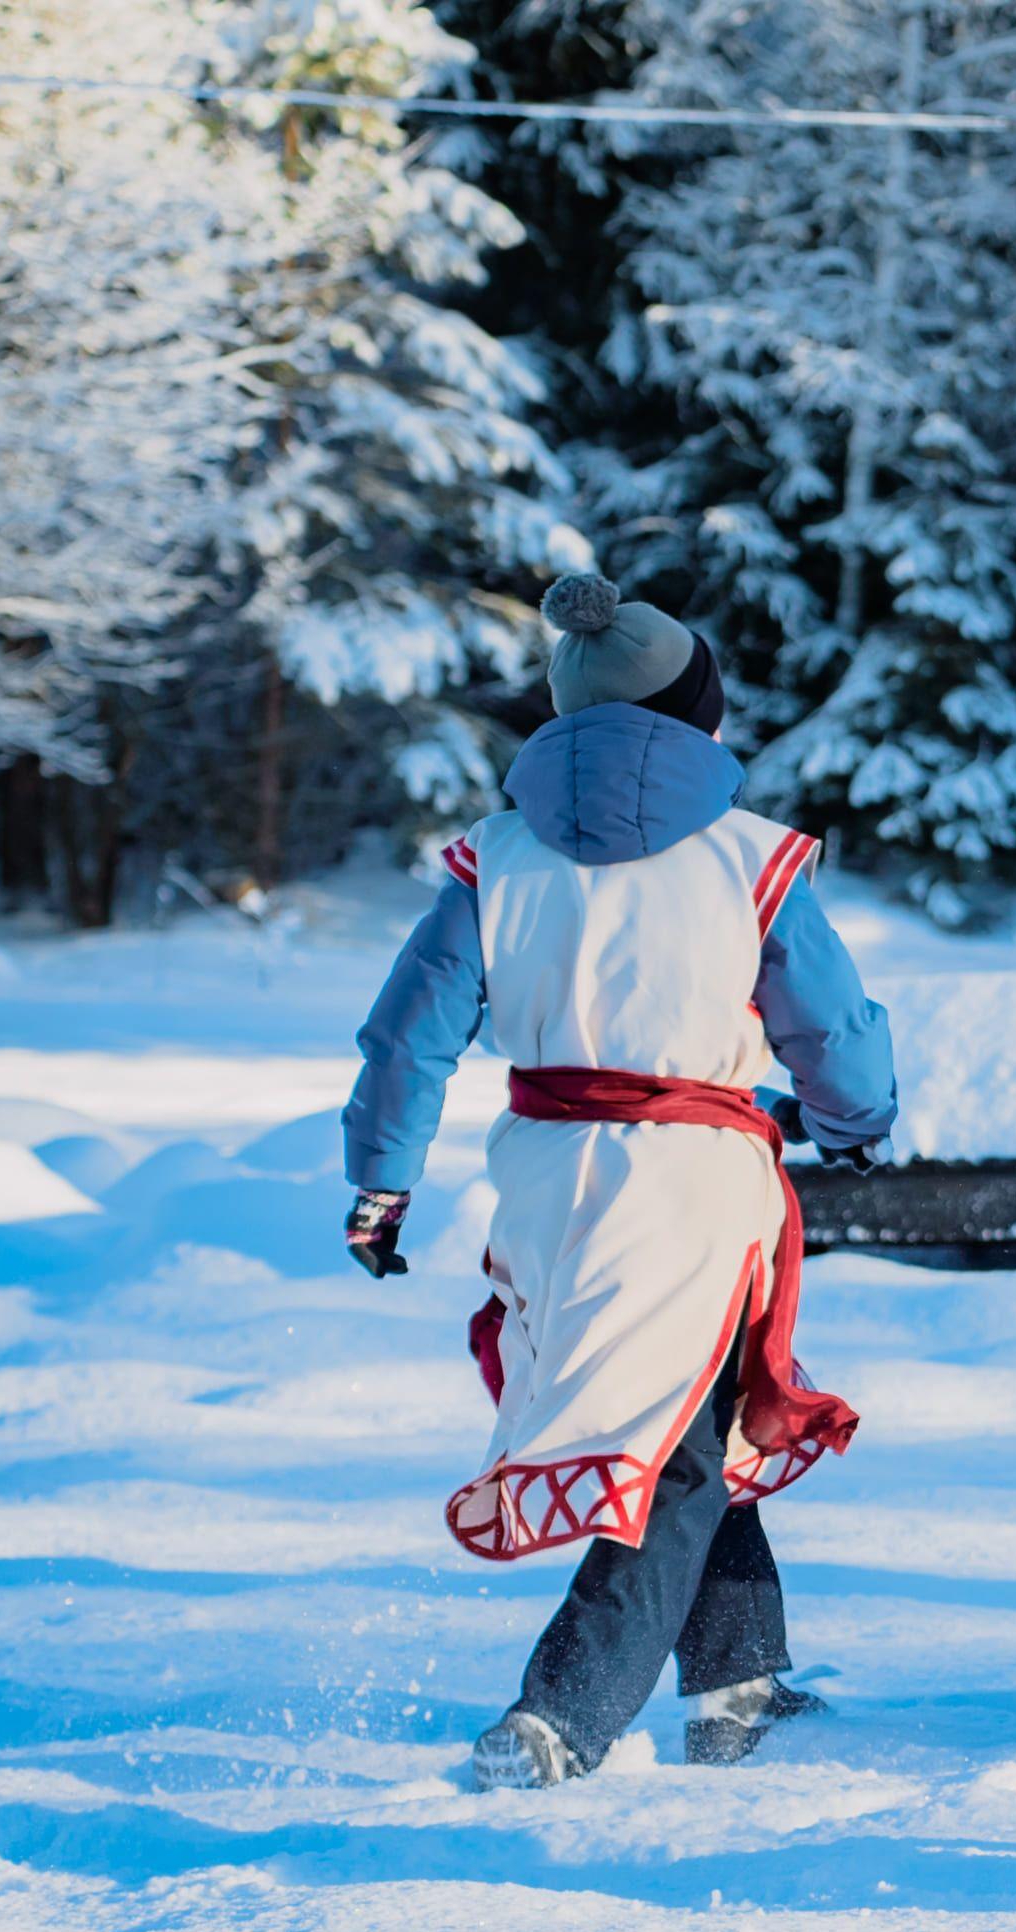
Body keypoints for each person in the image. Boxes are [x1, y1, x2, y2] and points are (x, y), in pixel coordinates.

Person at [340, 572, 896, 1789]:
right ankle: (558, 1715)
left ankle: (740, 1678)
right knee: (681, 1454)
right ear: (701, 712)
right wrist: (855, 1121)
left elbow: (409, 1036)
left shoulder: (495, 858)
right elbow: (832, 1024)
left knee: (689, 1413)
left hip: (546, 1186)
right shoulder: (751, 859)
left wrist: (381, 1184)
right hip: (693, 1190)